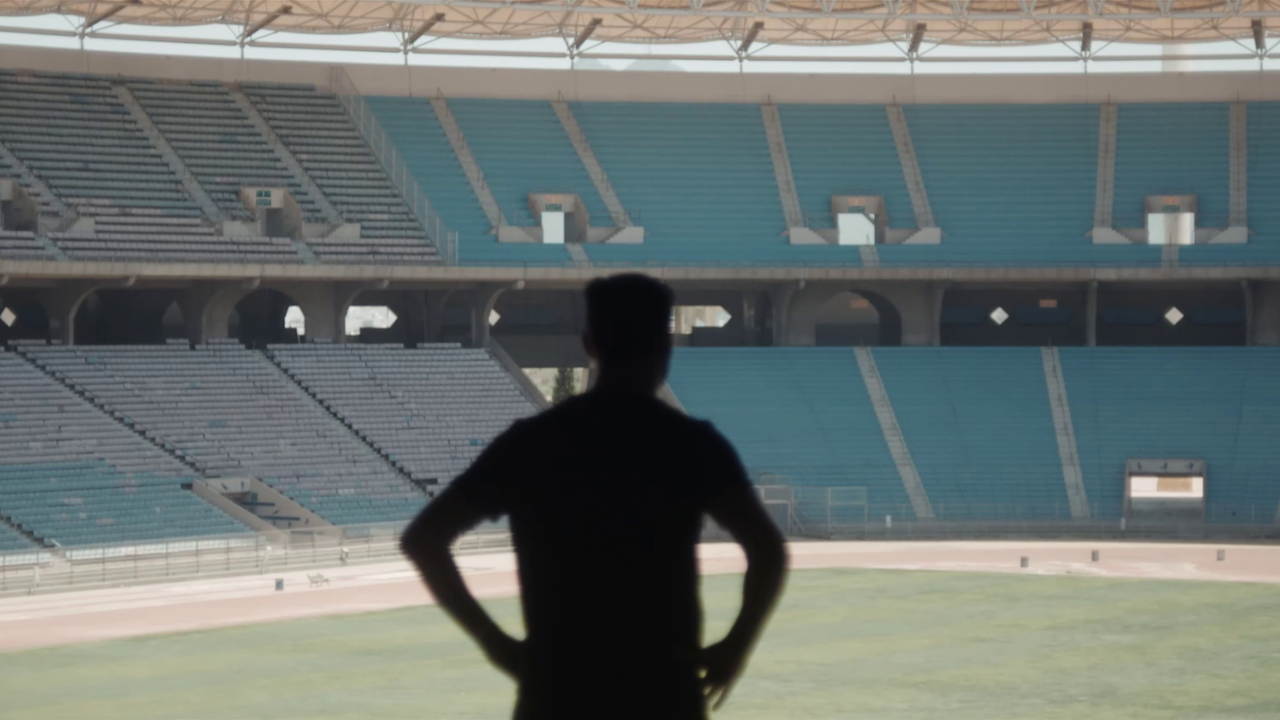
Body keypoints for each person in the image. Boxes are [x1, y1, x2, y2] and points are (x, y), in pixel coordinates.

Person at [401, 273, 788, 720]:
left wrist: (496, 643)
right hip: (662, 694)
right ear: (665, 348)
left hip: (557, 694)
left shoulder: (532, 443)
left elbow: (425, 538)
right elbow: (767, 551)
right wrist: (735, 647)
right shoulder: (692, 445)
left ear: (589, 344)